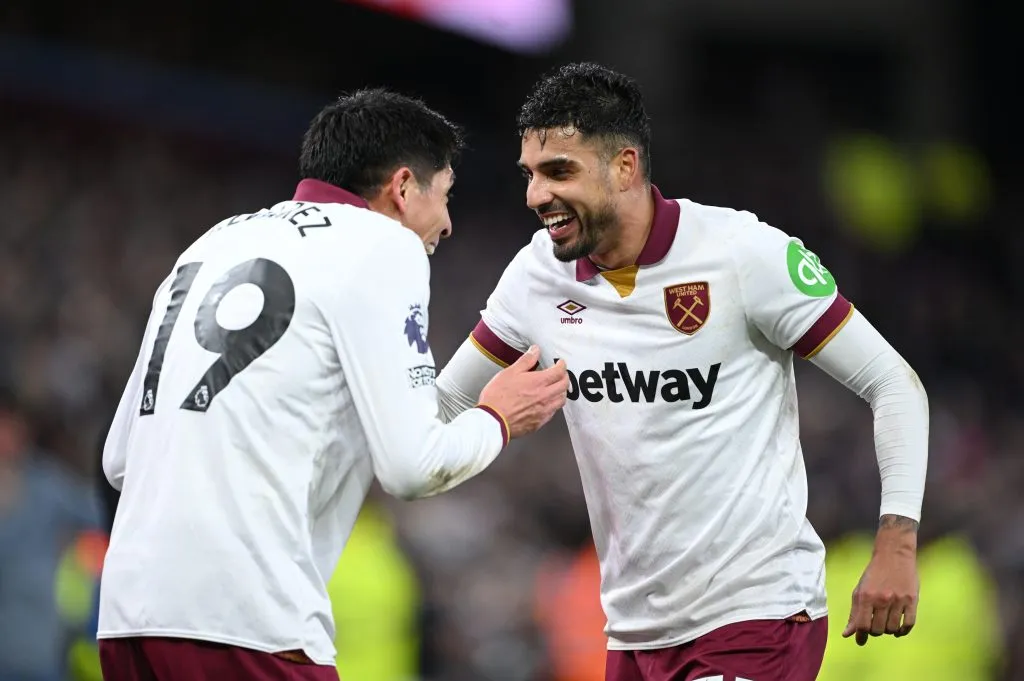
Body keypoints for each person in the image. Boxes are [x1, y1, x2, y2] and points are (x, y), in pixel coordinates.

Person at [434, 63, 929, 681]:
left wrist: (897, 545)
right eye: (530, 175)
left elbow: (893, 383)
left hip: (754, 617)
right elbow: (443, 407)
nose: (536, 196)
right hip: (635, 635)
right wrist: (488, 419)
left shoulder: (743, 254)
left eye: (560, 172)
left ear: (625, 167)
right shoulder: (537, 276)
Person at [97, 88, 569, 681]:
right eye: (444, 196)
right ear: (402, 188)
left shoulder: (214, 241)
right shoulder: (382, 245)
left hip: (127, 620)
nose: (447, 224)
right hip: (249, 624)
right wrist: (498, 418)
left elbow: (120, 458)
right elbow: (413, 468)